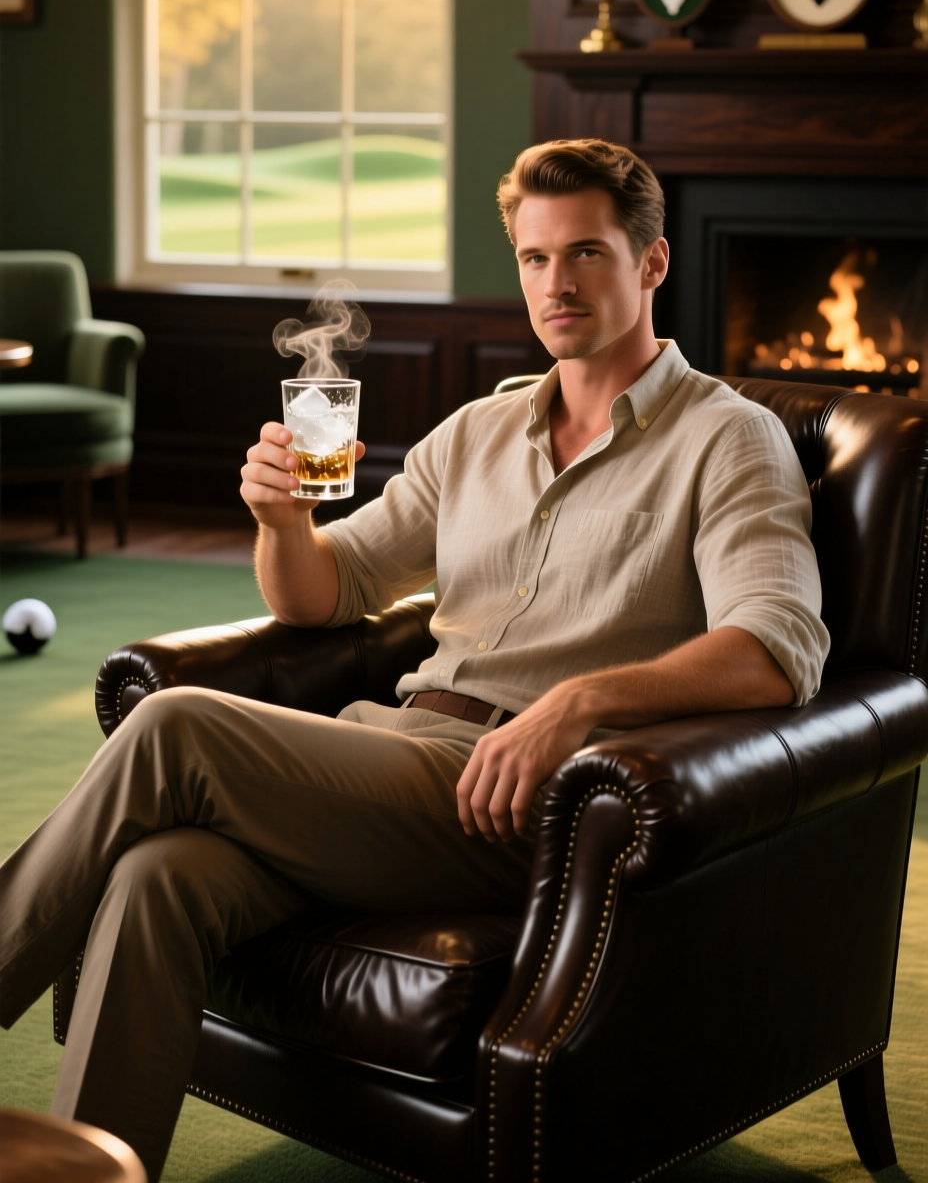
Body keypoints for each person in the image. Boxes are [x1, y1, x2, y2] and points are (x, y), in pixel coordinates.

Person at [0, 140, 828, 1182]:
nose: (554, 283)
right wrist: (281, 515)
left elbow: (775, 648)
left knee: (172, 723)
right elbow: (324, 590)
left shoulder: (728, 437)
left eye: (584, 252)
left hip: (529, 803)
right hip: (390, 758)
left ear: (653, 261)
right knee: (161, 874)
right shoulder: (476, 430)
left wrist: (578, 701)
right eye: (532, 257)